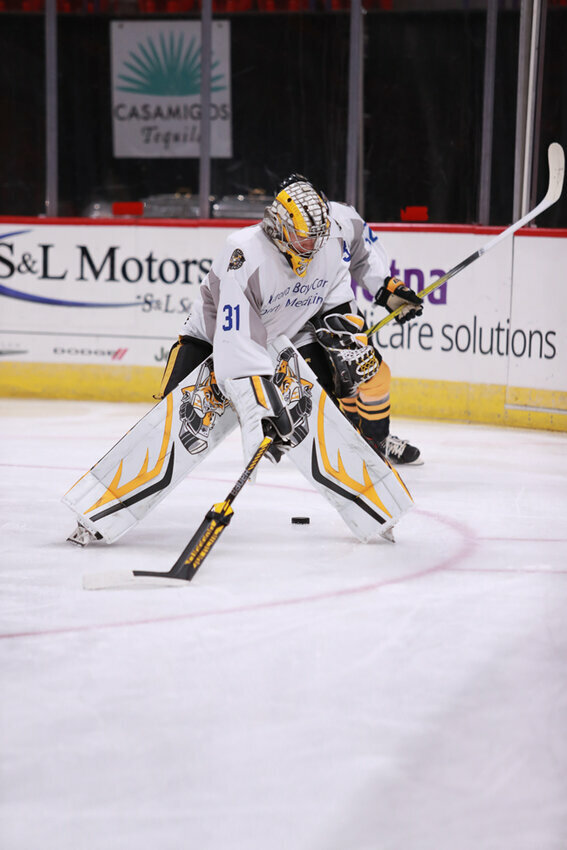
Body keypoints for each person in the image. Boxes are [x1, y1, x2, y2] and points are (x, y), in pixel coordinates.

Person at [155, 173, 424, 467]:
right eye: (304, 236)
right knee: (166, 420)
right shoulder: (247, 252)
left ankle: (371, 440)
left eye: (318, 234)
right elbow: (235, 336)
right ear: (280, 224)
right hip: (215, 336)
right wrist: (261, 405)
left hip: (287, 333)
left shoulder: (333, 229)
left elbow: (355, 254)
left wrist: (384, 288)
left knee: (352, 374)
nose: (314, 244)